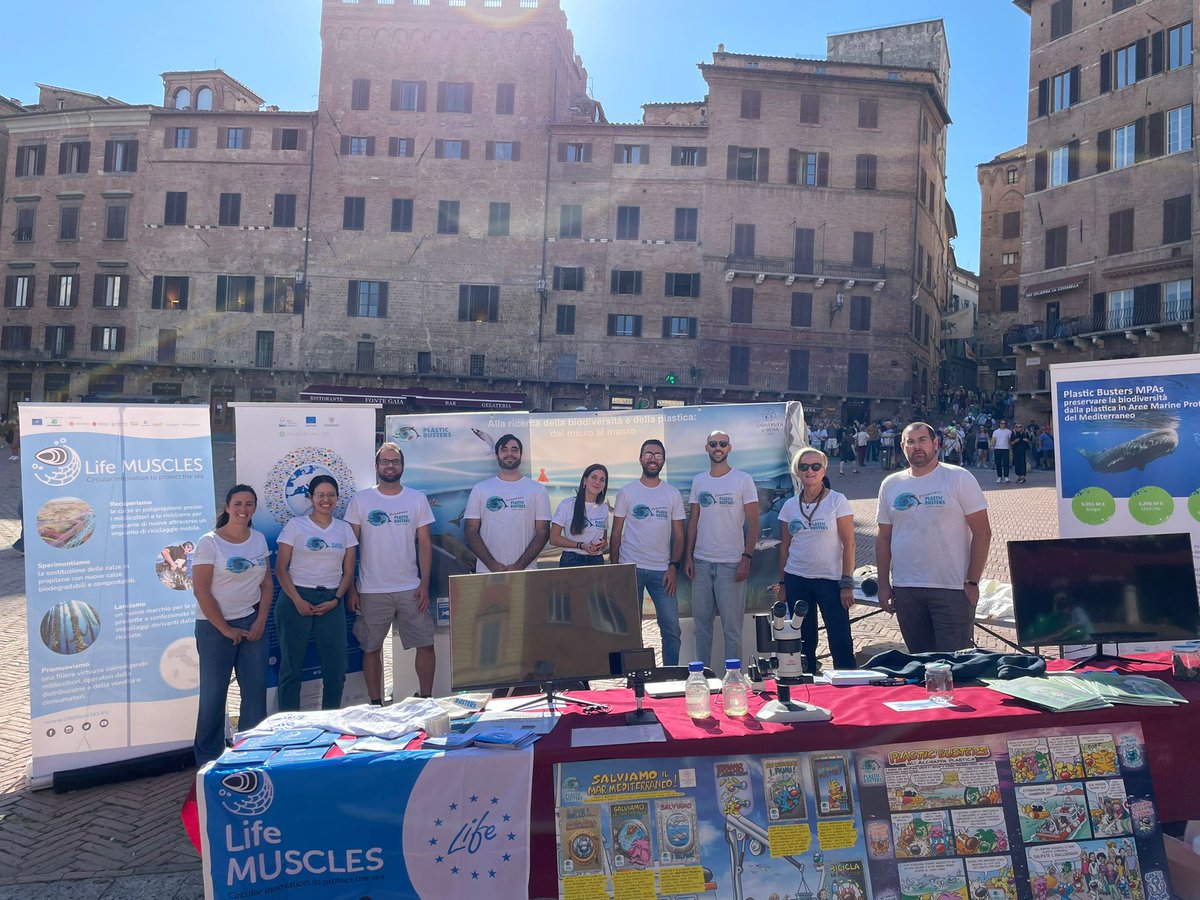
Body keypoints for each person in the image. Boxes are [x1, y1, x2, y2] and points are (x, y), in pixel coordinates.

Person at [875, 423, 992, 653]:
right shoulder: (890, 484)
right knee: (920, 664)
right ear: (903, 446)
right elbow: (883, 538)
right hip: (906, 588)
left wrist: (972, 582)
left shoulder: (959, 478)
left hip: (951, 588)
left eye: (922, 440)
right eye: (911, 441)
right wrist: (883, 584)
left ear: (935, 443)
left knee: (955, 666)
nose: (917, 446)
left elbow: (982, 533)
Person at [346, 443, 435, 701]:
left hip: (410, 587)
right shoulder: (360, 500)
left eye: (395, 461)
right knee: (371, 648)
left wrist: (424, 584)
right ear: (376, 467)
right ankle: (376, 704)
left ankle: (426, 700)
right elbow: (350, 548)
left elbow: (425, 545)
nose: (390, 466)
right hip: (371, 590)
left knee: (426, 645)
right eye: (385, 461)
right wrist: (352, 587)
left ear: (402, 467)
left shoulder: (416, 499)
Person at [192, 484, 273, 765]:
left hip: (251, 623)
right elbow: (201, 590)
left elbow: (266, 583)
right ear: (227, 507)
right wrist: (225, 629)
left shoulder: (259, 539)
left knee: (255, 692)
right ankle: (208, 759)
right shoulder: (210, 542)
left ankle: (250, 753)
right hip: (214, 628)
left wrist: (261, 619)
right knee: (213, 695)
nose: (243, 509)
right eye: (238, 503)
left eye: (249, 504)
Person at [274, 475, 358, 711]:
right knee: (291, 668)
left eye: (331, 495)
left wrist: (336, 599)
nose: (326, 500)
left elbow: (349, 571)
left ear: (337, 499)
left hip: (331, 601)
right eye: (320, 495)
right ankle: (289, 724)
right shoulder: (295, 526)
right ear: (310, 497)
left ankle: (329, 720)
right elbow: (281, 569)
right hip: (295, 599)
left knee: (336, 667)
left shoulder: (344, 529)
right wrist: (298, 601)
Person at [774, 448, 856, 674]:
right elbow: (785, 547)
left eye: (815, 466)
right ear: (797, 472)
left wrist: (846, 583)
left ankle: (848, 686)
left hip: (830, 580)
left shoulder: (837, 501)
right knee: (804, 640)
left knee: (839, 638)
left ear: (824, 469)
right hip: (797, 579)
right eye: (804, 467)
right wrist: (782, 583)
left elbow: (849, 544)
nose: (810, 471)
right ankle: (807, 683)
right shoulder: (790, 505)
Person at [685, 430, 759, 668]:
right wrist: (688, 556)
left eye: (723, 443)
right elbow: (693, 521)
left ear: (729, 448)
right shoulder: (699, 480)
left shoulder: (743, 480)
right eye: (713, 443)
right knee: (701, 628)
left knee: (732, 629)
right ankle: (703, 678)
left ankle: (732, 680)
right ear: (707, 448)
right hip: (701, 564)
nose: (718, 447)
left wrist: (746, 558)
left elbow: (754, 523)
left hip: (731, 564)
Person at [610, 440, 686, 665]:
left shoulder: (672, 494)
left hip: (662, 572)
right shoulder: (627, 492)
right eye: (648, 454)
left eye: (658, 455)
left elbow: (680, 536)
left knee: (672, 628)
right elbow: (616, 534)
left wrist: (673, 567)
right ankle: (634, 679)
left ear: (663, 460)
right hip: (630, 569)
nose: (653, 459)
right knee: (630, 630)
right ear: (641, 458)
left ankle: (670, 675)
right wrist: (617, 569)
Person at [549, 463, 610, 566]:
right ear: (585, 480)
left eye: (602, 480)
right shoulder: (567, 505)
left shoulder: (604, 508)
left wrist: (603, 544)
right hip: (572, 560)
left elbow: (603, 539)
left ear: (604, 485)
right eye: (594, 477)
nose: (597, 482)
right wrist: (581, 546)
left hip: (597, 561)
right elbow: (554, 538)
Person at [991, 419, 1013, 483]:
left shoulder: (1009, 432)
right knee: (998, 463)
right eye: (1001, 423)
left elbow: (1010, 441)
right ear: (999, 424)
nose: (1002, 424)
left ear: (1005, 424)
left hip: (1006, 448)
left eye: (1004, 423)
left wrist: (1011, 448)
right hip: (997, 448)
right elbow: (993, 439)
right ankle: (999, 476)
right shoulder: (996, 432)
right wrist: (992, 445)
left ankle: (1006, 476)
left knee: (1006, 463)